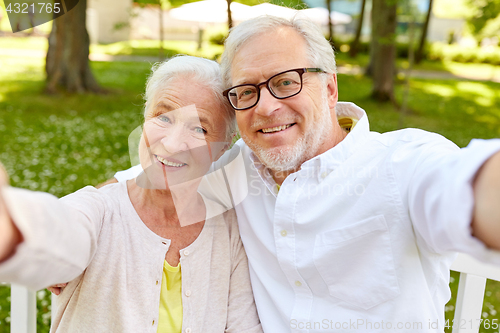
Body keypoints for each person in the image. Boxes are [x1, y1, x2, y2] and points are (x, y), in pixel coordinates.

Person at [114, 15, 500, 333]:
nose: (265, 107)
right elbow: (139, 183)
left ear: (330, 88)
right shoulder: (237, 169)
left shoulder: (404, 165)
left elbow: (464, 187)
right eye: (246, 91)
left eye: (285, 82)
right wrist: (77, 232)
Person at [0, 56, 262, 333]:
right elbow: (63, 231)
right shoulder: (100, 210)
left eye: (199, 128)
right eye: (164, 116)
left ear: (223, 148)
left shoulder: (228, 231)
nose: (172, 144)